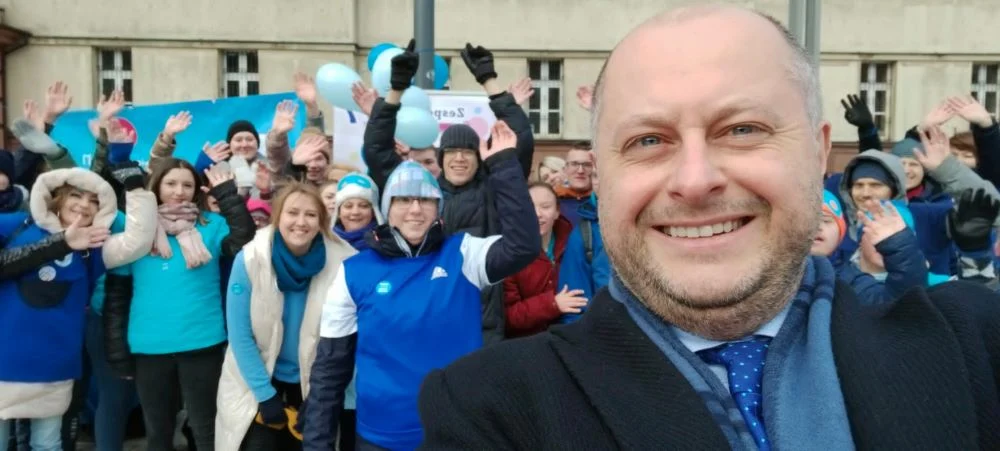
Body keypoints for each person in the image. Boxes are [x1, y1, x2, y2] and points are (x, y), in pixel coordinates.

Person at [417, 6, 1000, 450]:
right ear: (601, 173)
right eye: (647, 141)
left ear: (819, 153)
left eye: (742, 129)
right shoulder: (489, 409)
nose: (694, 181)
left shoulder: (975, 344)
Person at [301, 120, 539, 451]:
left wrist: (503, 165)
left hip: (459, 432)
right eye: (403, 200)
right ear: (387, 209)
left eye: (425, 200)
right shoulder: (354, 272)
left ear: (438, 209)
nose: (415, 209)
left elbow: (523, 246)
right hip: (380, 437)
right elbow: (329, 372)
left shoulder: (465, 254)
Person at [102, 160, 255, 451]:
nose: (179, 191)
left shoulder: (211, 225)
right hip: (149, 345)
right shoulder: (134, 230)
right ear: (156, 185)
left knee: (206, 428)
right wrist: (117, 351)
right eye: (171, 183)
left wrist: (226, 194)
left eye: (187, 184)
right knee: (158, 432)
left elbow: (244, 240)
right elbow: (117, 297)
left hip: (202, 341)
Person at [0, 165, 156, 451]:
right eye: (76, 195)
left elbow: (138, 241)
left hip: (54, 365)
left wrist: (136, 189)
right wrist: (60, 243)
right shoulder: (17, 226)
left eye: (94, 200)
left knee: (47, 444)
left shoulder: (94, 246)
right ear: (58, 197)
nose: (84, 205)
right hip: (4, 359)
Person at [214, 183, 356, 451]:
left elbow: (349, 341)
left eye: (311, 215)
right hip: (258, 380)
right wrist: (265, 395)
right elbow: (240, 333)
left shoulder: (345, 263)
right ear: (278, 216)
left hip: (317, 384)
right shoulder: (251, 259)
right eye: (292, 213)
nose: (300, 222)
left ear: (322, 221)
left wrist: (319, 398)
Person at [503, 182, 579, 337]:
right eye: (530, 207)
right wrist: (553, 304)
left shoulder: (574, 242)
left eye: (545, 206)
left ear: (557, 211)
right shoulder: (509, 253)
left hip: (569, 336)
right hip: (527, 343)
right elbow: (508, 316)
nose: (537, 213)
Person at [331, 173, 383, 251]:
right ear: (338, 212)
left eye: (363, 206)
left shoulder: (385, 244)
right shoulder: (326, 243)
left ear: (373, 212)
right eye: (348, 206)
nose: (355, 212)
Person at [554, 142, 595, 225]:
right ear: (565, 169)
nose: (580, 171)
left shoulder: (604, 202)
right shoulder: (552, 202)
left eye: (587, 165)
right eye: (574, 164)